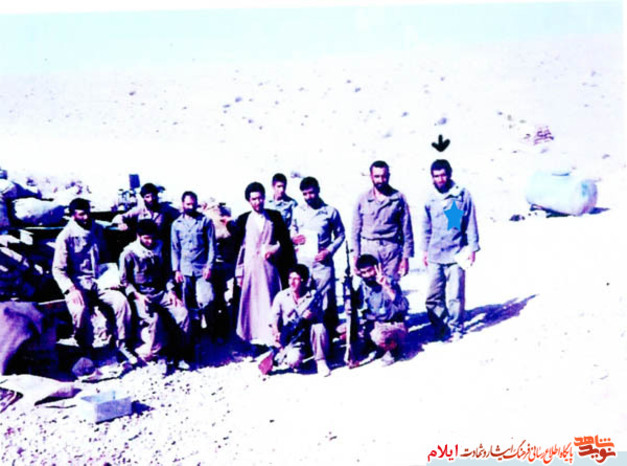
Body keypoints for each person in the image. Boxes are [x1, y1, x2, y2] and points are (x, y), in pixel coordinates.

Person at [52, 197, 135, 363]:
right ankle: (85, 348)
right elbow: (58, 269)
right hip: (77, 283)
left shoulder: (96, 228)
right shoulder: (66, 236)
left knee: (121, 302)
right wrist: (70, 289)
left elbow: (105, 254)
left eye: (87, 213)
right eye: (81, 214)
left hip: (99, 281)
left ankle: (122, 344)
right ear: (73, 215)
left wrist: (111, 278)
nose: (86, 217)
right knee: (79, 310)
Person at [229, 182, 295, 349]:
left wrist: (274, 249)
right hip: (250, 268)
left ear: (264, 198)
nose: (257, 202)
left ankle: (271, 338)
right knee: (251, 305)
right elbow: (239, 248)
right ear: (248, 201)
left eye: (260, 198)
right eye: (253, 199)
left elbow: (285, 242)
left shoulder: (274, 216)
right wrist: (239, 272)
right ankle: (253, 341)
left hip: (269, 268)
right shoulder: (243, 219)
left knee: (270, 302)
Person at [119, 219, 191, 371]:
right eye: (146, 238)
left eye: (152, 238)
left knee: (182, 313)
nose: (150, 241)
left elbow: (167, 274)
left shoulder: (160, 249)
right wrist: (137, 295)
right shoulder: (129, 253)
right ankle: (160, 356)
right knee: (155, 319)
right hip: (141, 295)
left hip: (160, 292)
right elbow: (125, 281)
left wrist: (171, 291)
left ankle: (180, 354)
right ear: (138, 236)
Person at [420, 159, 480, 342]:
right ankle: (441, 327)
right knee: (433, 296)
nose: (440, 179)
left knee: (455, 295)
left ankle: (456, 328)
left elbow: (470, 222)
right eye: (436, 176)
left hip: (457, 253)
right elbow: (426, 226)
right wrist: (424, 250)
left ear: (449, 174)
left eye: (443, 175)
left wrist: (472, 248)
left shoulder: (461, 195)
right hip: (435, 254)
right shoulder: (430, 198)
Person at [291, 176, 345, 336]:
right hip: (304, 262)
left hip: (323, 263)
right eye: (305, 194)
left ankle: (330, 335)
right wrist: (294, 238)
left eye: (311, 193)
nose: (309, 197)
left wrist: (329, 251)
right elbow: (293, 228)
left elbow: (340, 235)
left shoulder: (330, 211)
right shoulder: (298, 211)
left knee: (327, 299)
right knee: (305, 297)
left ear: (318, 190)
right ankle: (306, 335)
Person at [351, 160, 414, 281]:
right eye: (377, 176)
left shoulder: (398, 198)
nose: (380, 180)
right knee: (369, 287)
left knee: (390, 286)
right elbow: (355, 231)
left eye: (384, 176)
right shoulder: (362, 199)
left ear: (389, 176)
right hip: (369, 249)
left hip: (391, 251)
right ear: (371, 177)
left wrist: (406, 258)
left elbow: (407, 231)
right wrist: (356, 257)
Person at [270, 264, 331, 376]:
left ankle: (321, 361)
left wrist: (313, 315)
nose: (292, 282)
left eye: (296, 279)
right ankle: (298, 360)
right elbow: (274, 318)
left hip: (310, 335)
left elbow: (322, 315)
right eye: (290, 278)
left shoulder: (313, 295)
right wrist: (276, 334)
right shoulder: (281, 296)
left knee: (319, 327)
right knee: (292, 360)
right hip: (292, 338)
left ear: (304, 280)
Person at [170, 191, 216, 329]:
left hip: (202, 268)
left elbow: (212, 246)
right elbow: (175, 248)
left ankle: (213, 330)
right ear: (182, 204)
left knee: (208, 299)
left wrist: (209, 266)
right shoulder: (176, 224)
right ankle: (193, 331)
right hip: (185, 269)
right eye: (188, 204)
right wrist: (176, 270)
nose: (190, 207)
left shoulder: (205, 221)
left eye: (193, 204)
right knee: (188, 303)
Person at [354, 254, 408, 366]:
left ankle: (392, 350)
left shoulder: (390, 282)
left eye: (370, 270)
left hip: (393, 324)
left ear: (377, 268)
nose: (368, 275)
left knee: (380, 336)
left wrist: (386, 286)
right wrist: (348, 287)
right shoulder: (363, 286)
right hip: (374, 324)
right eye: (363, 273)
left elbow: (403, 307)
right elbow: (357, 305)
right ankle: (376, 347)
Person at [112, 182, 180, 250]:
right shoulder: (139, 209)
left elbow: (180, 216)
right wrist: (121, 224)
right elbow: (119, 217)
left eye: (153, 196)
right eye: (147, 197)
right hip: (143, 246)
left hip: (159, 245)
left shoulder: (165, 209)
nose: (151, 199)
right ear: (143, 198)